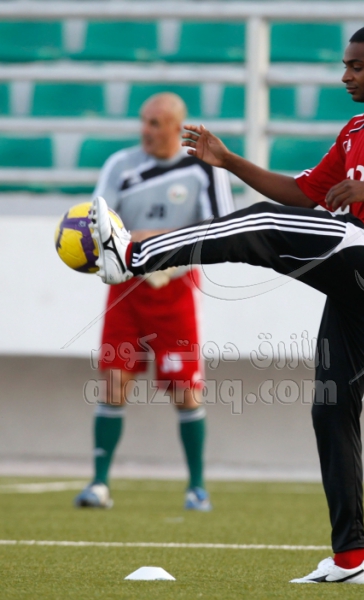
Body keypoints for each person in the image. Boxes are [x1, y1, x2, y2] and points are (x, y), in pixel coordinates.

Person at [88, 24, 364, 583]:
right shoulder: (354, 130)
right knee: (331, 408)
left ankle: (132, 254)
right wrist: (230, 161)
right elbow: (303, 192)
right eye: (344, 66)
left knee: (264, 227)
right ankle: (350, 560)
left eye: (357, 66)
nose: (345, 76)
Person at [75, 93, 234, 511]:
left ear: (177, 127)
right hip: (127, 286)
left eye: (156, 123)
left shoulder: (203, 169)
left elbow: (221, 227)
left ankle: (196, 487)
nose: (146, 130)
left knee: (184, 390)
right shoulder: (120, 165)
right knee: (114, 380)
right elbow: (98, 222)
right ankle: (99, 484)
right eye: (144, 121)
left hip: (176, 288)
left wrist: (157, 241)